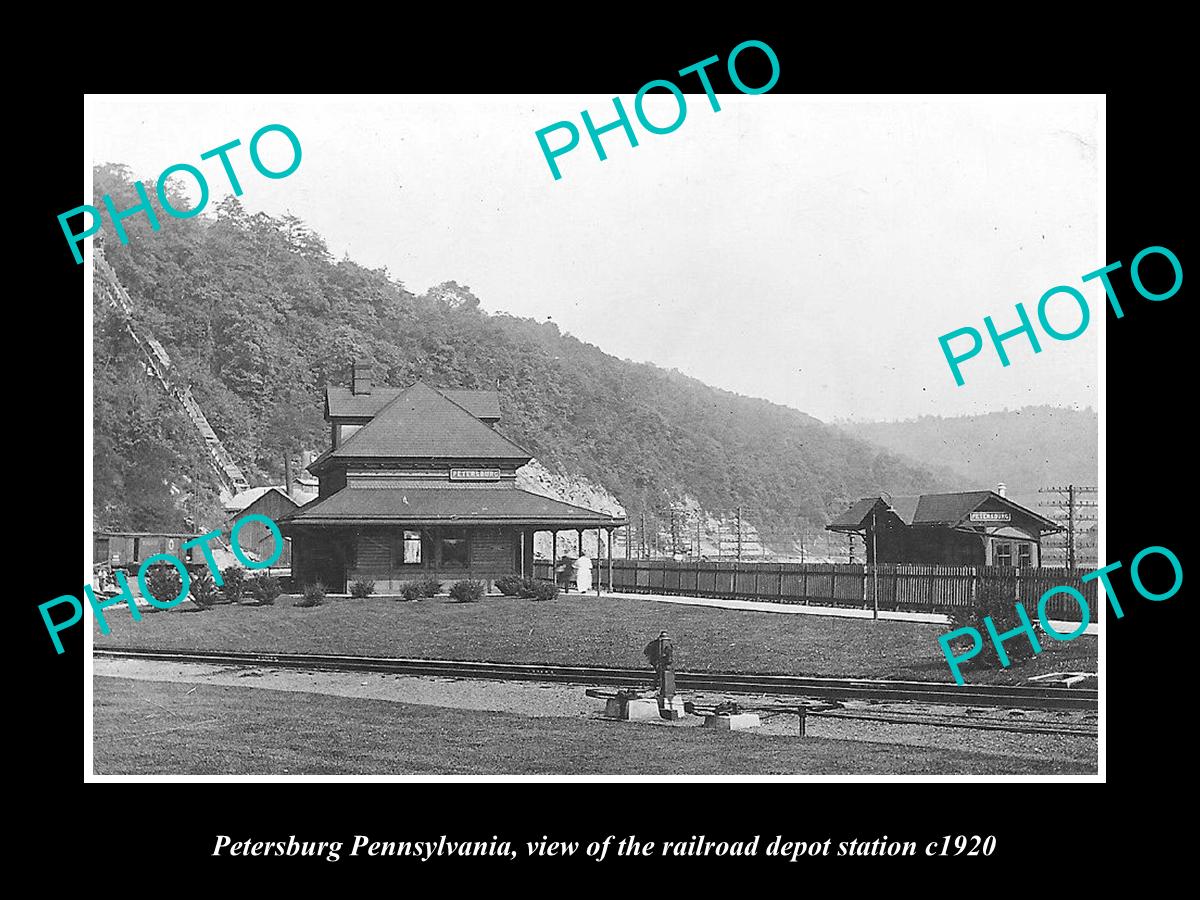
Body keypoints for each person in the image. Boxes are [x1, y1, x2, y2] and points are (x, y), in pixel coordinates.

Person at [642, 630, 675, 709]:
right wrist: (654, 660)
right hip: (656, 660)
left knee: (662, 675)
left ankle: (659, 687)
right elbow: (647, 651)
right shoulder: (654, 644)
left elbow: (669, 653)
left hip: (663, 662)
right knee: (660, 674)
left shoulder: (667, 644)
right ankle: (658, 687)